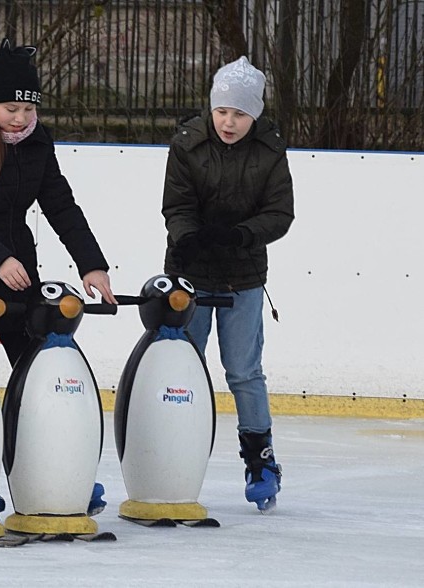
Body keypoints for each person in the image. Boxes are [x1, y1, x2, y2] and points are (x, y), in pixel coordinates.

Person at [0, 39, 117, 519]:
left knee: (35, 377)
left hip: (17, 278)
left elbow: (60, 204)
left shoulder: (37, 141)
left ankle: (49, 472)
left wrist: (92, 264)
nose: (19, 118)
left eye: (27, 108)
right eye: (11, 107)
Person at [161, 56, 294, 511]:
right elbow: (176, 205)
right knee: (184, 367)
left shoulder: (270, 152)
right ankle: (172, 451)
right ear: (211, 108)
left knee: (242, 371)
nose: (228, 122)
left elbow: (279, 214)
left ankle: (261, 462)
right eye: (222, 111)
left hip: (243, 273)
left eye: (239, 113)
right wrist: (188, 239)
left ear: (254, 114)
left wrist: (242, 235)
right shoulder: (186, 144)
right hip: (190, 271)